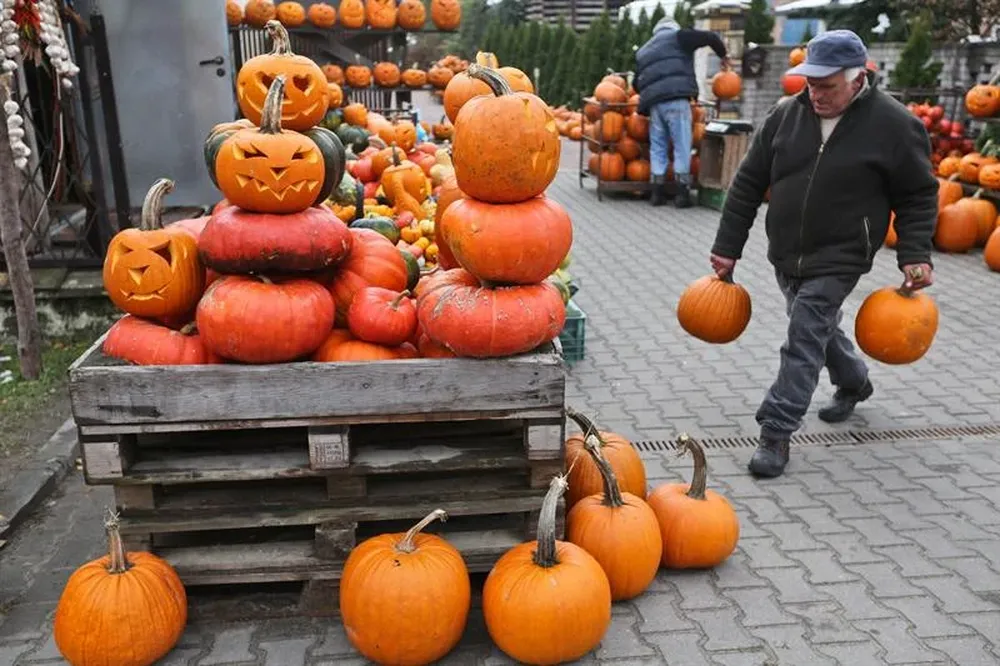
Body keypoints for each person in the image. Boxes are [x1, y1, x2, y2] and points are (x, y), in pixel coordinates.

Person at [707, 30, 937, 478]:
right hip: (787, 252)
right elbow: (748, 184)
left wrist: (915, 253)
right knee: (817, 328)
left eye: (826, 86)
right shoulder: (784, 116)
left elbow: (918, 195)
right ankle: (854, 382)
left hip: (843, 254)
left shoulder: (894, 125)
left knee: (803, 335)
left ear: (857, 80)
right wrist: (726, 248)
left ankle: (776, 432)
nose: (815, 94)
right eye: (810, 83)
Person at [634, 18, 730, 208]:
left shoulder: (644, 51)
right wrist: (723, 55)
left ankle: (657, 193)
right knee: (681, 145)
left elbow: (636, 83)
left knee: (658, 146)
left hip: (655, 104)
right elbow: (710, 37)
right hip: (677, 100)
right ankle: (682, 194)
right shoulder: (678, 37)